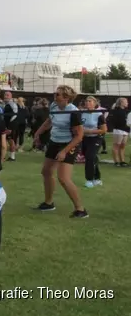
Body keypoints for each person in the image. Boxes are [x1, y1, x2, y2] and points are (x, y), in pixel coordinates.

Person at [32, 85, 88, 218]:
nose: (55, 96)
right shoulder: (54, 106)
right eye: (55, 93)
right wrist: (37, 133)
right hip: (54, 141)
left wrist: (64, 151)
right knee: (46, 171)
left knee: (63, 178)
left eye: (58, 94)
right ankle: (49, 203)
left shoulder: (73, 112)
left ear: (66, 97)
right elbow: (48, 121)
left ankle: (80, 210)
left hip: (69, 143)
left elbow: (79, 135)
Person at [81, 96, 106, 188]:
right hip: (84, 139)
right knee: (92, 158)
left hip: (95, 138)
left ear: (95, 103)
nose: (87, 102)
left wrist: (89, 131)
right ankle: (97, 178)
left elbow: (104, 130)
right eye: (86, 101)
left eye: (90, 101)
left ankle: (89, 180)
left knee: (90, 157)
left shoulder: (99, 114)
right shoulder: (82, 113)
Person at [107, 97, 129, 167]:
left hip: (125, 130)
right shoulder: (115, 110)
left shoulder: (125, 111)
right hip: (118, 130)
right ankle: (116, 162)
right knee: (116, 146)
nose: (127, 103)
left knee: (123, 146)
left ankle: (122, 161)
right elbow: (112, 120)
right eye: (126, 102)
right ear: (121, 103)